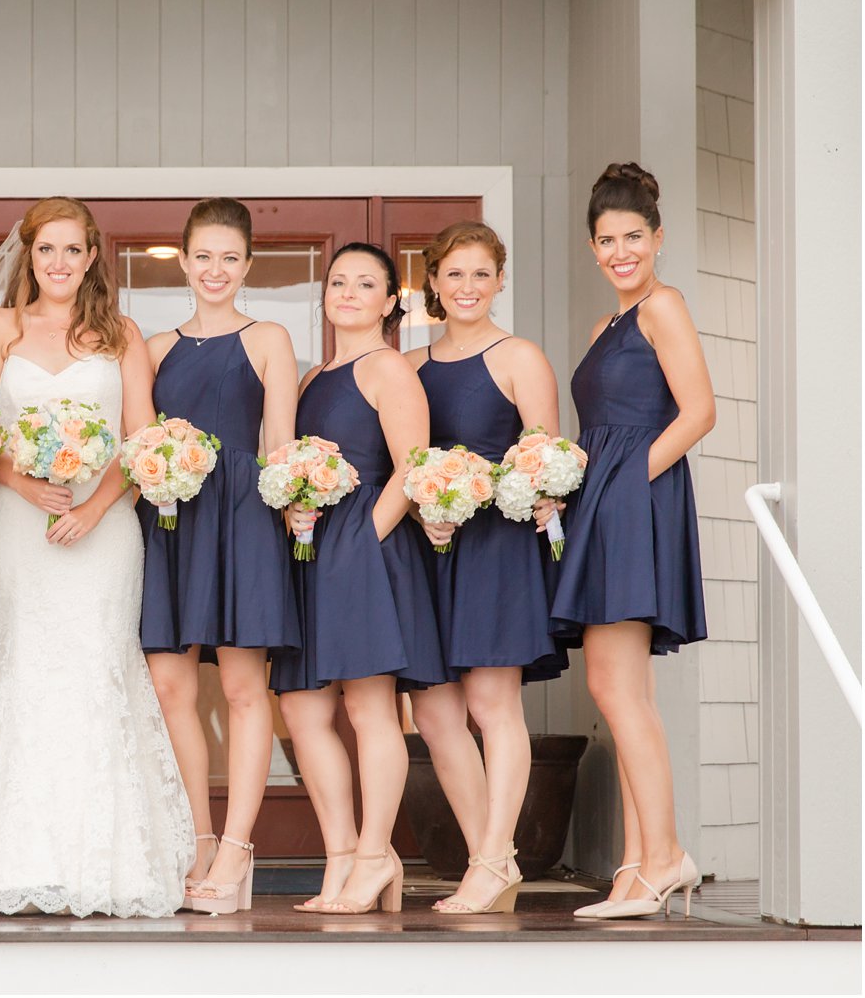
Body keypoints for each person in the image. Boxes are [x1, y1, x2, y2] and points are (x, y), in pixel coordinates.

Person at [0, 197, 193, 918]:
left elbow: (143, 441)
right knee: (26, 670)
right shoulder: (0, 330)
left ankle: (112, 864)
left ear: (92, 256)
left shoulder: (120, 334)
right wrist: (26, 485)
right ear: (29, 255)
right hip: (20, 529)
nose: (60, 264)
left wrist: (97, 507)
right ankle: (13, 859)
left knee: (99, 672)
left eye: (73, 250)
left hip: (105, 533)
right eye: (47, 251)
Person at [551, 163, 712, 919]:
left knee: (617, 689)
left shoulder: (663, 305)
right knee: (621, 691)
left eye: (633, 237)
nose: (621, 251)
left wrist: (622, 486)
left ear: (657, 239)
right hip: (605, 502)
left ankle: (661, 858)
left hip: (635, 502)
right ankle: (641, 860)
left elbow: (698, 412)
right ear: (593, 247)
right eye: (607, 239)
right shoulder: (604, 327)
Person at [273, 243, 446, 915]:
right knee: (302, 708)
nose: (347, 292)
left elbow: (413, 467)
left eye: (365, 283)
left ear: (390, 301)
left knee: (369, 708)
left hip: (366, 545)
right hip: (312, 548)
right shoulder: (317, 375)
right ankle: (341, 854)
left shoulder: (388, 370)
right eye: (338, 281)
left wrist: (360, 542)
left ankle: (375, 856)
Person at [140, 198, 300, 913]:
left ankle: (237, 851)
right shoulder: (152, 348)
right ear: (182, 260)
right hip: (171, 520)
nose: (215, 270)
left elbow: (280, 447)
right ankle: (197, 840)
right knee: (171, 687)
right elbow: (137, 449)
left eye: (229, 257)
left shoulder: (269, 336)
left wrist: (293, 503)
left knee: (242, 690)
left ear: (247, 264)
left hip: (242, 516)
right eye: (202, 256)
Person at [404, 220, 566, 915]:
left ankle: (496, 856)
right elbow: (401, 465)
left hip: (498, 548)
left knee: (492, 704)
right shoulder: (408, 366)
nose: (467, 287)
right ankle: (487, 862)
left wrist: (502, 488)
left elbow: (546, 463)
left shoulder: (519, 357)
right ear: (432, 284)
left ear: (499, 281)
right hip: (429, 548)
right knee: (435, 712)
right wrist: (424, 512)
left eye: (480, 274)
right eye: (453, 274)